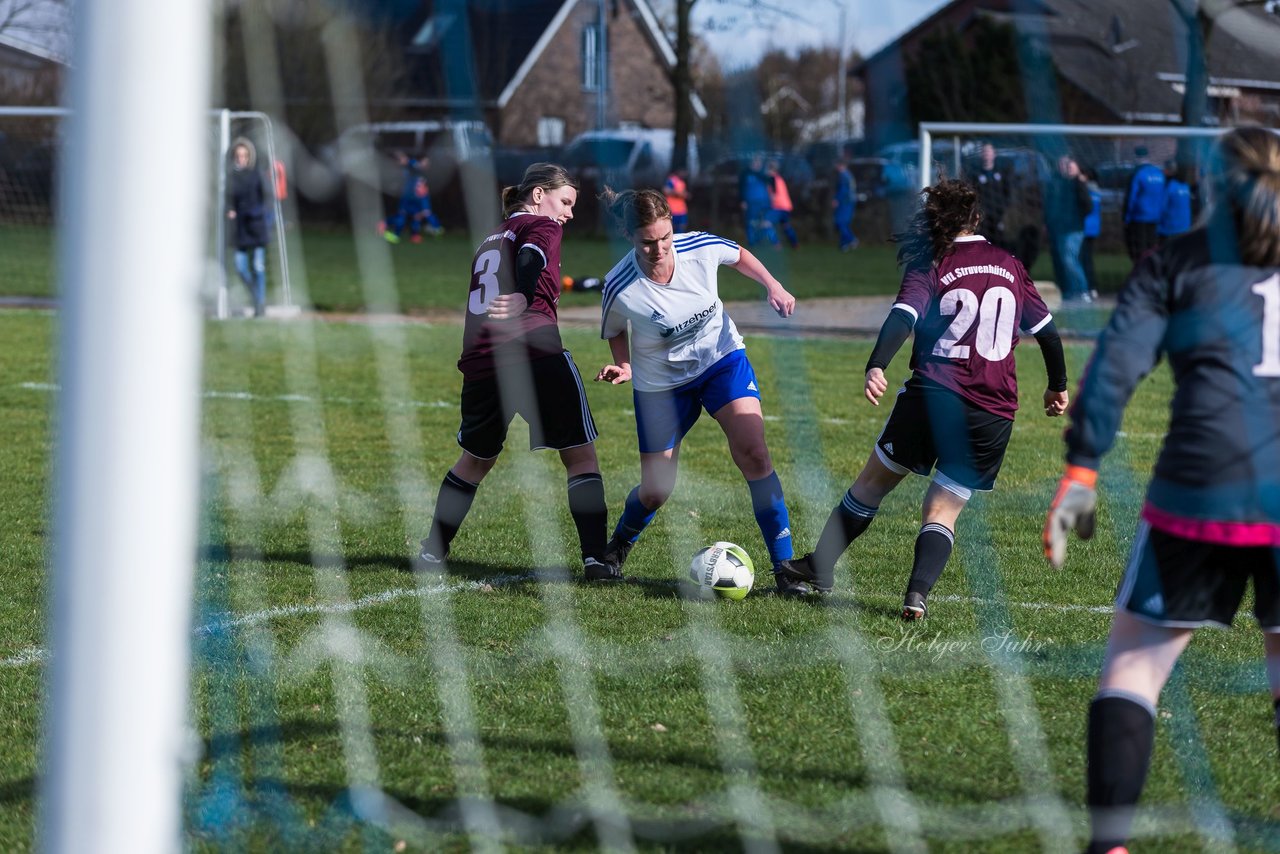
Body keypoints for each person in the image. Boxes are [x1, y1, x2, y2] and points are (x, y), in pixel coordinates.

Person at [1043, 126, 1280, 854]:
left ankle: (1109, 845)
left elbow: (1112, 370)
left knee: (1136, 666)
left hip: (1199, 489)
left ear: (1208, 187)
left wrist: (1081, 472)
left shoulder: (1172, 263)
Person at [779, 179, 1069, 616]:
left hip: (933, 397)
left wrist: (877, 362)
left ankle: (821, 566)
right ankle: (917, 595)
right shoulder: (1009, 264)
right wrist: (1057, 386)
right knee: (942, 509)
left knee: (873, 484)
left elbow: (903, 316)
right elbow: (1047, 334)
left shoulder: (931, 260)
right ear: (977, 219)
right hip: (992, 411)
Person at [593, 187, 812, 596]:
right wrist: (623, 365)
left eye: (664, 238)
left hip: (721, 361)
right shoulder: (619, 285)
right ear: (629, 237)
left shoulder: (699, 246)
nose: (658, 248)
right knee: (657, 489)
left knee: (755, 454)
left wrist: (773, 285)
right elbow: (613, 331)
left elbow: (740, 255)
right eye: (647, 242)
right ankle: (618, 546)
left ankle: (786, 570)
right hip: (660, 385)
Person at [418, 163, 619, 582]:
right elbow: (533, 259)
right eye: (565, 202)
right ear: (539, 195)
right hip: (533, 352)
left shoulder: (491, 238)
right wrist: (524, 294)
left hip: (480, 360)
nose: (568, 213)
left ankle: (432, 552)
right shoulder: (541, 226)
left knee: (474, 459)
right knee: (580, 455)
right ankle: (597, 561)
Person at [226, 138, 271, 318]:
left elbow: (268, 197)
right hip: (240, 228)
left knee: (258, 266)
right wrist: (230, 210)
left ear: (250, 157)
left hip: (257, 225)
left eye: (244, 155)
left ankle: (259, 305)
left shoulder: (257, 174)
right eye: (238, 156)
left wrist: (258, 213)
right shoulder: (231, 176)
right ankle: (256, 298)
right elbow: (228, 199)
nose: (241, 159)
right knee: (240, 267)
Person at [1044, 155, 1093, 303]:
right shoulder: (1057, 183)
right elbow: (1051, 205)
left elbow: (1088, 206)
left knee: (1070, 259)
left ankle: (1083, 290)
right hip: (1060, 228)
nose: (1066, 168)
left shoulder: (1079, 183)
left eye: (1069, 165)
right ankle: (1071, 290)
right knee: (1064, 260)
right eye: (1063, 165)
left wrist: (1076, 217)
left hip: (1074, 229)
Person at [382, 151, 443, 244]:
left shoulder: (422, 171)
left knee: (418, 216)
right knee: (402, 215)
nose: (427, 164)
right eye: (425, 162)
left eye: (428, 162)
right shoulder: (414, 165)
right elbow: (408, 162)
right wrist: (402, 157)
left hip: (418, 198)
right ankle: (392, 232)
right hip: (407, 197)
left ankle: (416, 235)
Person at [1123, 145, 1165, 263]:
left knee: (1139, 249)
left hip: (1139, 216)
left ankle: (1141, 273)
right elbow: (1163, 196)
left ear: (1136, 157)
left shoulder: (1138, 173)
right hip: (1155, 217)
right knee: (1152, 247)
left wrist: (1126, 217)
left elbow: (1131, 197)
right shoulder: (1159, 173)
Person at [969, 142, 1010, 247]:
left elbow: (1007, 194)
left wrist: (1004, 213)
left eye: (989, 151)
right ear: (981, 154)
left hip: (999, 216)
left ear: (994, 154)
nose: (987, 154)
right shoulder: (975, 175)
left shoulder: (1002, 173)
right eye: (984, 152)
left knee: (999, 245)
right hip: (983, 218)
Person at [739, 154, 777, 249]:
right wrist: (742, 200)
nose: (758, 164)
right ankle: (752, 243)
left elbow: (773, 182)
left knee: (765, 222)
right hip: (751, 203)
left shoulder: (763, 174)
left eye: (759, 162)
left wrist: (773, 195)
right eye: (756, 161)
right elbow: (741, 188)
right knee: (751, 223)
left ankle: (771, 242)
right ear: (752, 162)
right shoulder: (745, 173)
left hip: (764, 203)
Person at [765, 158, 799, 249]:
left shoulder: (771, 178)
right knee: (786, 226)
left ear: (769, 169)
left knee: (766, 223)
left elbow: (773, 195)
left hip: (778, 207)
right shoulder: (779, 178)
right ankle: (795, 243)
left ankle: (776, 243)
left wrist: (767, 203)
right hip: (787, 207)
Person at [1156, 159, 1193, 243]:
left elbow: (1162, 207)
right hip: (1185, 227)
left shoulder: (1169, 186)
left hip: (1170, 228)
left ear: (1167, 170)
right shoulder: (1186, 186)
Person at [1081, 167, 1103, 299]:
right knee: (1088, 258)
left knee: (1084, 259)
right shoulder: (1097, 191)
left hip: (1085, 227)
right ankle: (1093, 287)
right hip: (1095, 228)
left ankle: (1087, 287)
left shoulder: (1086, 189)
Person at [832, 159, 858, 251]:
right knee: (845, 223)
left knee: (840, 222)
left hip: (845, 202)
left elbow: (843, 190)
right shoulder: (849, 175)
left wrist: (836, 199)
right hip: (850, 201)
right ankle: (843, 245)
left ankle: (852, 239)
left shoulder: (843, 175)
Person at [663, 168, 691, 233]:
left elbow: (683, 193)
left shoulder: (682, 182)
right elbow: (665, 190)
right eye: (684, 171)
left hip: (682, 210)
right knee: (670, 230)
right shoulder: (672, 180)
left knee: (682, 229)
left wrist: (686, 195)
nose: (685, 173)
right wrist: (678, 193)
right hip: (672, 210)